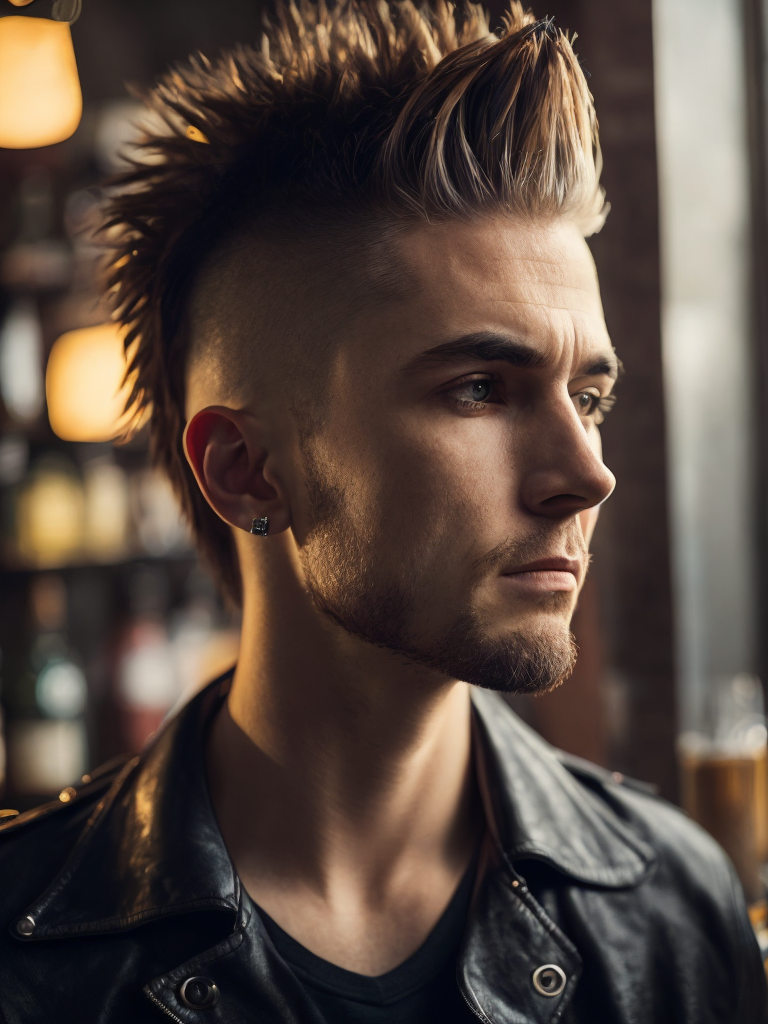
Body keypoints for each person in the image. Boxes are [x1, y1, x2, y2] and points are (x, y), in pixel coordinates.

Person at [1, 2, 765, 1021]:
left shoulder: (675, 916)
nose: (587, 474)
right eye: (481, 389)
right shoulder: (29, 958)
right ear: (247, 471)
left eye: (588, 397)